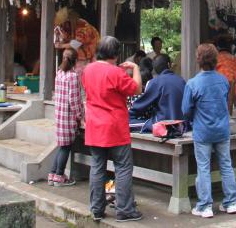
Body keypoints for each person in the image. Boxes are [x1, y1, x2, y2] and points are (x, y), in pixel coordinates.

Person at [82, 36, 143, 222]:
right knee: (123, 168)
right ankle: (125, 209)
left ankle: (97, 208)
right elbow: (137, 89)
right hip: (115, 126)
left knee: (97, 167)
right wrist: (136, 69)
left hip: (94, 125)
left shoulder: (87, 70)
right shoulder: (117, 73)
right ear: (116, 54)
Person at [182, 44, 236, 218]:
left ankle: (205, 206)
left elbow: (185, 110)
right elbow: (227, 104)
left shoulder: (192, 83)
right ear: (216, 60)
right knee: (226, 165)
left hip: (203, 131)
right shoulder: (223, 80)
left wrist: (193, 118)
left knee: (203, 168)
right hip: (222, 129)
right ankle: (230, 202)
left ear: (198, 60)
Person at [49, 49, 82, 187]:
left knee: (61, 146)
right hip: (68, 117)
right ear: (75, 61)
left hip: (59, 114)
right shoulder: (72, 76)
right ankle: (60, 175)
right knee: (66, 147)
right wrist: (79, 115)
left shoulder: (59, 73)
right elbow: (73, 100)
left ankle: (52, 174)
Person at [129, 54, 186, 133]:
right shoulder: (182, 80)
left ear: (154, 69)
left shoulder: (156, 82)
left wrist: (129, 113)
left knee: (126, 123)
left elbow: (141, 105)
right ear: (169, 65)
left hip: (164, 125)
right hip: (183, 124)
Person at [215, 36, 236, 111]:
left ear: (217, 48)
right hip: (233, 89)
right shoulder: (235, 59)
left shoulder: (215, 58)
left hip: (219, 89)